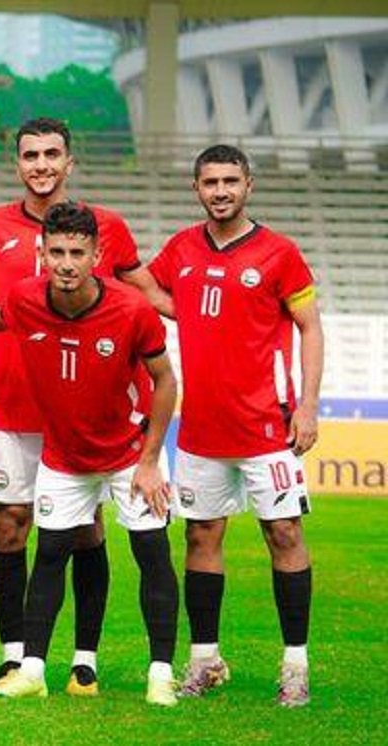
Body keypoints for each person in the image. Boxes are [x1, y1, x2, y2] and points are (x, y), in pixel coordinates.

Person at [0, 117, 170, 694]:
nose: (41, 165)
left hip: (91, 413)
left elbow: (147, 297)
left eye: (52, 154)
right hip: (14, 403)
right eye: (31, 155)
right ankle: (16, 658)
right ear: (17, 163)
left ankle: (83, 660)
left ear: (69, 162)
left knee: (86, 531)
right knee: (10, 528)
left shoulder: (107, 227)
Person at [0, 202, 181, 706]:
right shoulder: (24, 299)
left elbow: (165, 380)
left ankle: (161, 675)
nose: (66, 264)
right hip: (64, 457)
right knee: (49, 555)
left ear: (97, 255)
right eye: (57, 253)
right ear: (41, 253)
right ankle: (32, 671)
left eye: (77, 253)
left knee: (152, 553)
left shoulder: (132, 309)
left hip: (130, 454)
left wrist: (150, 461)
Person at [148, 145, 322, 708]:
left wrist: (307, 405)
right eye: (210, 182)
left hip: (267, 427)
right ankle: (206, 661)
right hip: (201, 429)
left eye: (229, 181)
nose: (220, 191)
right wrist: (182, 310)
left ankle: (295, 665)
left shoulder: (279, 253)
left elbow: (310, 327)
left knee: (285, 534)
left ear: (249, 185)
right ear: (196, 188)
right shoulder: (181, 248)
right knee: (201, 536)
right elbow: (147, 289)